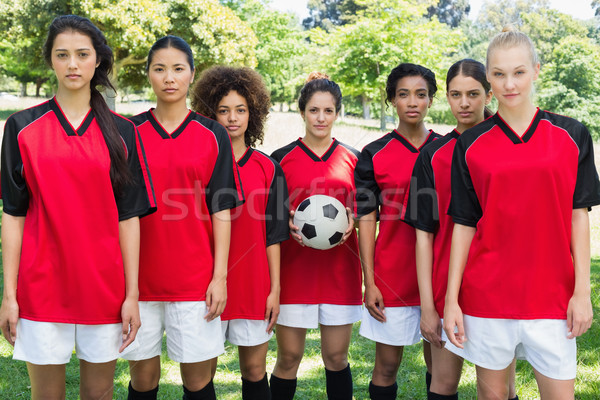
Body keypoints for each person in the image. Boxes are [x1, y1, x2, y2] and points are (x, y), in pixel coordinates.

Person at [0, 14, 155, 399]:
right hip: (41, 285)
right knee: (46, 396)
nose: (72, 64)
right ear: (50, 60)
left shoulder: (123, 131)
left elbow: (129, 218)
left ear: (97, 61)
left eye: (82, 54)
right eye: (62, 54)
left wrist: (132, 294)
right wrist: (9, 295)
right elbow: (13, 215)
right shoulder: (22, 127)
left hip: (104, 287)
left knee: (99, 394)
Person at [443, 27, 600, 400]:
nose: (509, 83)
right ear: (488, 78)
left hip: (554, 297)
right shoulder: (469, 144)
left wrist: (582, 292)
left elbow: (580, 218)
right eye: (498, 74)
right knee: (493, 395)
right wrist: (452, 300)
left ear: (536, 70)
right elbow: (464, 226)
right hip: (487, 296)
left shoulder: (572, 134)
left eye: (519, 72)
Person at [122, 36, 243, 400]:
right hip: (137, 279)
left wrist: (219, 277)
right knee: (143, 378)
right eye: (160, 69)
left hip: (195, 279)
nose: (169, 78)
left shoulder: (212, 133)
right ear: (148, 75)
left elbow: (222, 210)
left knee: (197, 381)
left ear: (191, 74)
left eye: (178, 69)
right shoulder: (127, 132)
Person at [405, 59, 519, 400]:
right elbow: (423, 235)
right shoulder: (432, 155)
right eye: (456, 95)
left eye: (473, 94)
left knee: (501, 389)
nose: (465, 103)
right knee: (442, 385)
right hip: (445, 288)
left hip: (498, 286)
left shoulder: (509, 147)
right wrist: (428, 305)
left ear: (488, 94)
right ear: (447, 98)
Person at [191, 65, 289, 400]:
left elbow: (274, 235)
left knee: (253, 370)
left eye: (241, 110)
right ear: (209, 113)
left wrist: (274, 289)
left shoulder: (268, 168)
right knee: (201, 373)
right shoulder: (199, 161)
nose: (233, 118)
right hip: (208, 285)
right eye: (223, 110)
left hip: (253, 284)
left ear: (253, 114)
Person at [269, 72, 361, 400]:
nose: (320, 118)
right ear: (302, 111)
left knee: (336, 358)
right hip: (295, 271)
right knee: (289, 358)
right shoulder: (279, 160)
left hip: (339, 271)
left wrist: (353, 219)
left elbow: (366, 214)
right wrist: (287, 223)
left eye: (328, 110)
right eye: (313, 110)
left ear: (338, 112)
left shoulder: (355, 160)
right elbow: (271, 220)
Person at [354, 63, 440, 399]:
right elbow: (365, 220)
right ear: (392, 100)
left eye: (421, 94)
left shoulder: (448, 149)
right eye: (404, 94)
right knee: (386, 368)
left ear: (432, 100)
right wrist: (370, 281)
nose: (413, 102)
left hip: (439, 275)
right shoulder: (373, 154)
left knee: (441, 370)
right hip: (392, 276)